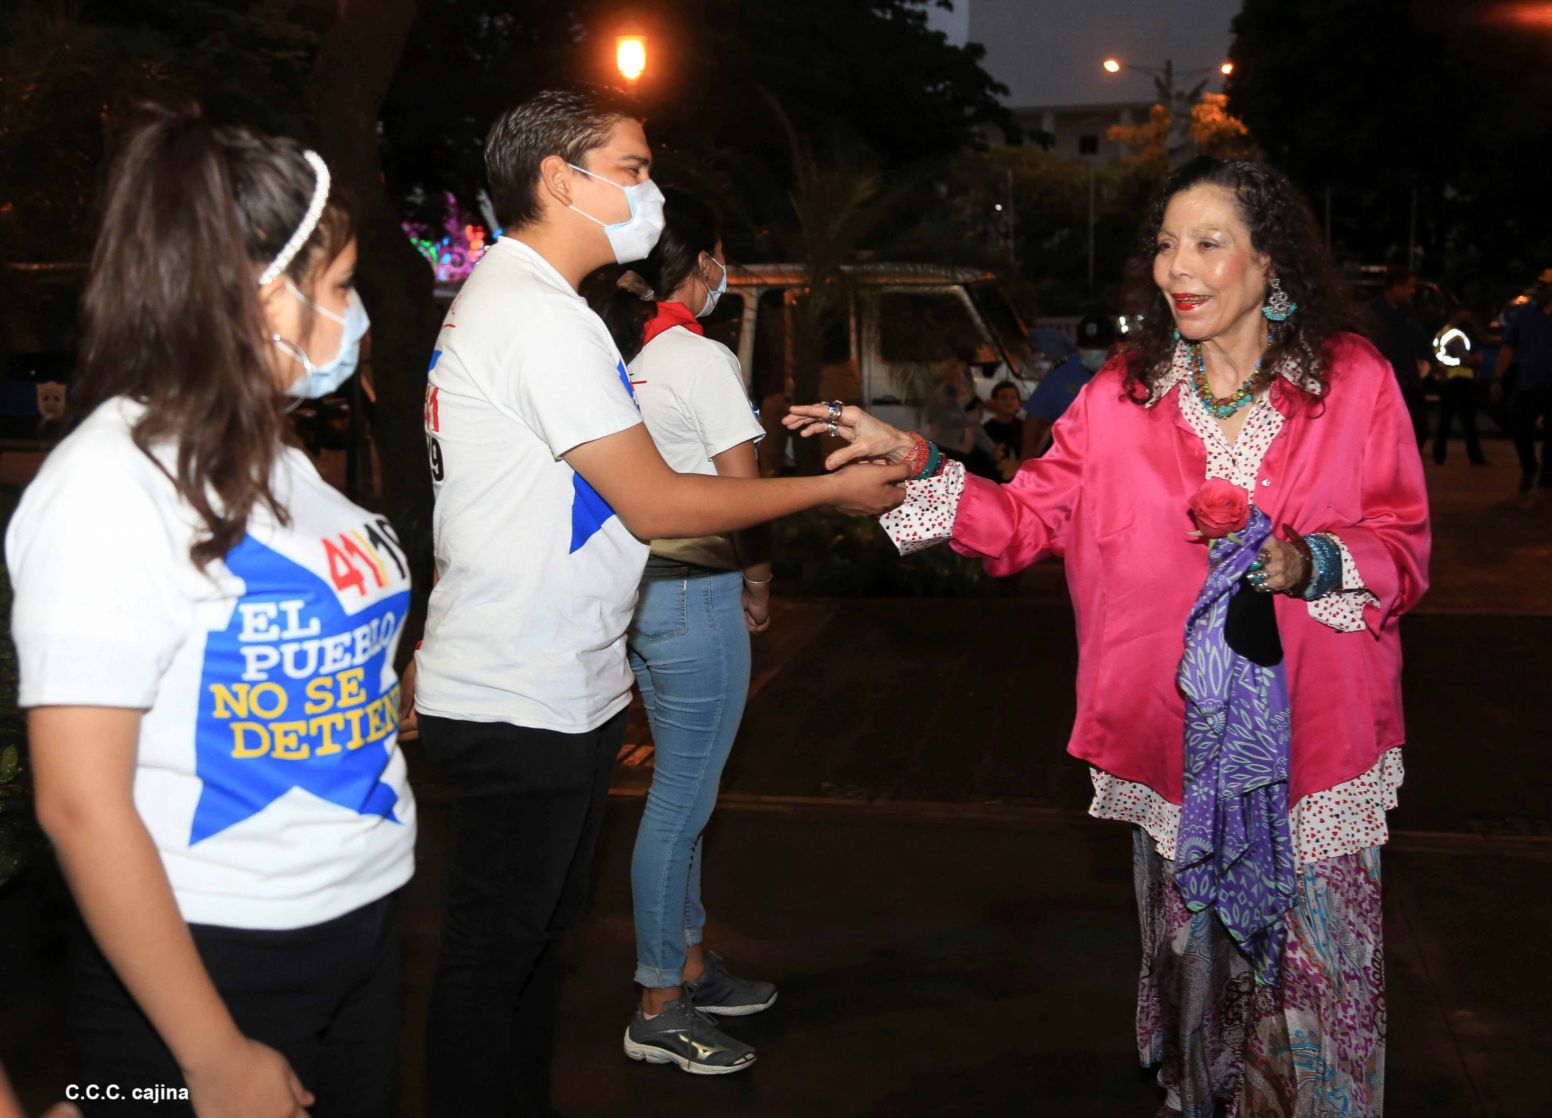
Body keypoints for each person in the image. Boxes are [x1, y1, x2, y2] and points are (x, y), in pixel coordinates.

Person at [788, 156, 1429, 1117]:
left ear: (1271, 266)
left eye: (1210, 244)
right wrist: (920, 459)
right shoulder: (1123, 395)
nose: (1181, 266)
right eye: (1168, 244)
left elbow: (1403, 544)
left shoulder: (1351, 383)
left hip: (1312, 749)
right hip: (1174, 750)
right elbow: (1023, 522)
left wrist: (1309, 562)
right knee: (1199, 998)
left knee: (1318, 1005)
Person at [407, 88, 905, 1114]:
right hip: (520, 691)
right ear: (560, 180)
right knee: (497, 962)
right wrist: (832, 489)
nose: (650, 190)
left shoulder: (524, 304)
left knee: (526, 958)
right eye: (631, 168)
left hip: (545, 681)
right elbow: (656, 500)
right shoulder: (540, 319)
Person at [7, 105, 412, 1116]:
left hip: (354, 929)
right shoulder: (111, 481)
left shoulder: (270, 450)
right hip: (211, 962)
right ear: (267, 299)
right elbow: (78, 798)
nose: (356, 313)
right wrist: (210, 1052)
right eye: (341, 287)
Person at [590, 187, 780, 1073]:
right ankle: (659, 1000)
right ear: (703, 264)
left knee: (684, 792)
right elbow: (744, 492)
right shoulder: (699, 360)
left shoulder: (628, 354)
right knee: (681, 805)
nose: (722, 272)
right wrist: (761, 576)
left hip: (644, 592)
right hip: (700, 594)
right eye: (719, 258)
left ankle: (692, 965)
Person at [1022, 313, 1117, 458]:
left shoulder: (1127, 374)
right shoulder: (1061, 372)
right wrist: (1026, 459)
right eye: (1087, 346)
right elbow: (1033, 417)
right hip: (1068, 458)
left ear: (1113, 347)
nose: (1092, 352)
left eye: (1098, 346)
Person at [1494, 269, 1552, 497]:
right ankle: (1529, 467)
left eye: (1544, 286)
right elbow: (1508, 348)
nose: (1539, 290)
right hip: (1527, 383)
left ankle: (1546, 481)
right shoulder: (1525, 315)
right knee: (1520, 428)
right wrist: (1498, 378)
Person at [1367, 265, 1432, 445]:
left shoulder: (1408, 312)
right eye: (1409, 287)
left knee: (1419, 429)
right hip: (1385, 382)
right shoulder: (1373, 312)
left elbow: (1419, 338)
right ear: (1396, 286)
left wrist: (1430, 360)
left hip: (1409, 380)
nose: (1412, 292)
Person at [1431, 306, 1487, 466]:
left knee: (1445, 420)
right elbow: (1465, 359)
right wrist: (1475, 361)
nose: (1468, 316)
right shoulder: (1455, 335)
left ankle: (1439, 454)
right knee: (1468, 421)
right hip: (1460, 380)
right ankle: (1475, 457)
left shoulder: (1442, 332)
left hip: (1448, 380)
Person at [982, 380, 1025, 479]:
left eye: (1013, 397)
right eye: (1003, 397)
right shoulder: (986, 430)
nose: (1009, 401)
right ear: (994, 402)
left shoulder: (1025, 428)